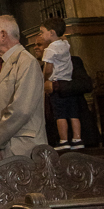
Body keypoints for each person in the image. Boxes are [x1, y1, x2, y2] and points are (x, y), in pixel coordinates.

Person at [0, 14, 47, 159]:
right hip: (8, 147)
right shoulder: (5, 63)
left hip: (23, 148)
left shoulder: (27, 62)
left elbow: (22, 109)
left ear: (3, 35)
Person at [32, 32, 100, 149]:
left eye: (39, 44)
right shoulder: (39, 70)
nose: (35, 47)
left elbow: (85, 85)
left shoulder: (73, 62)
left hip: (79, 136)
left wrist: (56, 86)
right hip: (52, 136)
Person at [39, 17, 82, 150]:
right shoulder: (65, 44)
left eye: (42, 32)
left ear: (51, 32)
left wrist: (44, 78)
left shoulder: (50, 50)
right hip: (68, 83)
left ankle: (64, 140)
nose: (41, 35)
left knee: (60, 114)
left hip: (56, 84)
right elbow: (65, 40)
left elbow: (49, 68)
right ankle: (77, 139)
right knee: (73, 113)